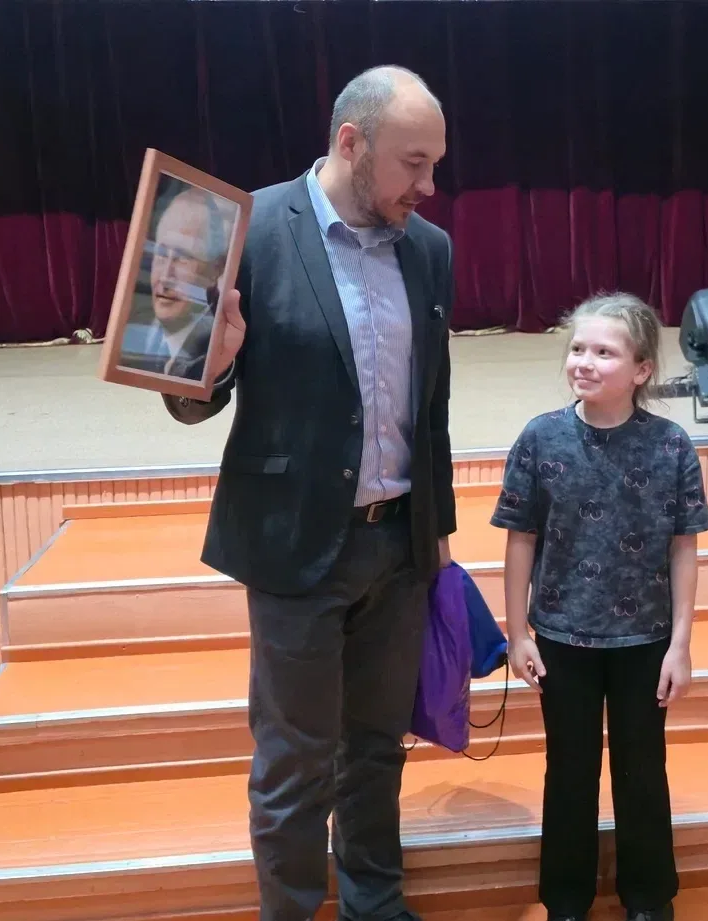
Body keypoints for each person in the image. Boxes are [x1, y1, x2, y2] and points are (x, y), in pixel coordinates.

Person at [161, 66, 455, 921]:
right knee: (295, 763)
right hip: (294, 544)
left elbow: (431, 404)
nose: (429, 186)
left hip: (398, 545)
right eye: (413, 164)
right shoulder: (245, 230)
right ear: (351, 143)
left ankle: (375, 904)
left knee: (377, 747)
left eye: (435, 165)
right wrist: (208, 361)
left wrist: (434, 533)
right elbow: (188, 400)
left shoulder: (429, 249)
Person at [491, 293, 708, 921]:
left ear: (642, 370)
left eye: (604, 352)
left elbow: (683, 548)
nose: (584, 362)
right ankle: (567, 898)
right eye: (578, 349)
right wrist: (518, 633)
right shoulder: (540, 437)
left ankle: (648, 896)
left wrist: (681, 645)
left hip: (646, 638)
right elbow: (520, 539)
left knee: (643, 769)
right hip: (563, 637)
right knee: (569, 770)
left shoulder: (671, 445)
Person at [121, 187, 233, 381]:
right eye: (161, 254)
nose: (165, 276)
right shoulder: (134, 335)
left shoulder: (218, 345)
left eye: (183, 258)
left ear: (216, 269)